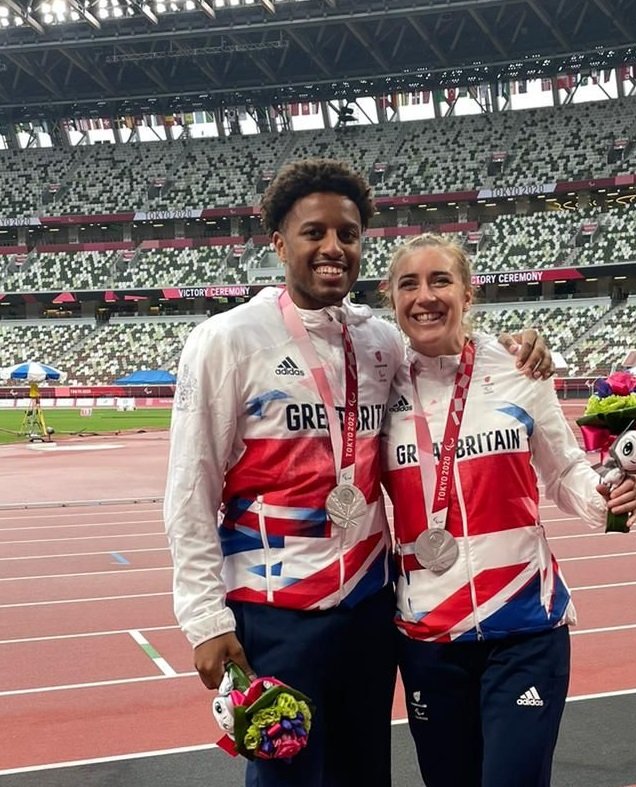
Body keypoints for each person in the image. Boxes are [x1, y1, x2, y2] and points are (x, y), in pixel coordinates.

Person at [163, 159, 553, 787]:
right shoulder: (227, 341)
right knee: (286, 778)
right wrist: (205, 620)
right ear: (279, 243)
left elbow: (451, 355)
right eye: (314, 233)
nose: (332, 248)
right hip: (275, 611)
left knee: (365, 773)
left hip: (370, 609)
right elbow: (189, 489)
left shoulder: (380, 340)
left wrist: (521, 346)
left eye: (347, 235)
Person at [381, 234, 636, 787]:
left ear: (467, 292)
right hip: (430, 635)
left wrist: (607, 498)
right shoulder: (378, 387)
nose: (425, 296)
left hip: (525, 625)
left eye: (440, 280)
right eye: (409, 284)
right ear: (391, 298)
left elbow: (565, 469)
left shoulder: (521, 369)